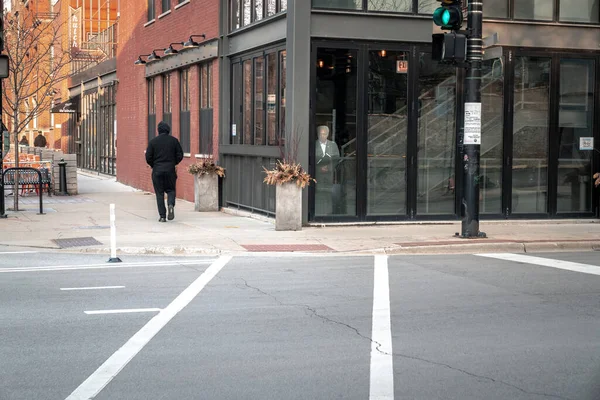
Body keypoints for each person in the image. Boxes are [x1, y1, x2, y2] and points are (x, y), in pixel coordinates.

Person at [145, 121, 183, 222]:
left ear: (158, 130)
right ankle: (170, 204)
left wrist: (154, 165)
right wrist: (174, 163)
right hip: (170, 170)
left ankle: (162, 216)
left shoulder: (153, 142)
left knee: (159, 193)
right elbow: (180, 155)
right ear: (168, 130)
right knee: (171, 190)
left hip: (157, 171)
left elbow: (148, 157)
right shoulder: (174, 141)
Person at [314, 125, 340, 215]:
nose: (322, 136)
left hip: (329, 173)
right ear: (318, 134)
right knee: (319, 193)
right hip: (317, 173)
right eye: (321, 134)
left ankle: (328, 212)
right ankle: (318, 212)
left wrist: (329, 167)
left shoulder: (332, 145)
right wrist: (319, 167)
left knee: (328, 193)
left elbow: (336, 158)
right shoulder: (314, 144)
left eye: (324, 134)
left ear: (328, 134)